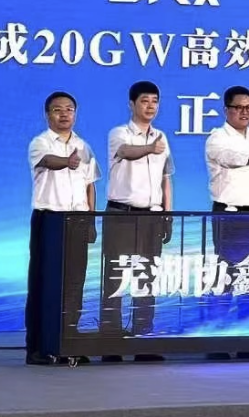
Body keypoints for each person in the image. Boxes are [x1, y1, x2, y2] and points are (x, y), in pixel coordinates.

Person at [100, 80, 172, 363]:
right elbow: (126, 152)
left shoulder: (162, 137)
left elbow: (166, 178)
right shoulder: (119, 133)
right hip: (121, 214)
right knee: (116, 277)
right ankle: (110, 340)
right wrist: (150, 148)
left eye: (155, 101)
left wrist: (167, 213)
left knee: (147, 277)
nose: (150, 106)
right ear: (132, 104)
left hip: (151, 216)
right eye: (144, 101)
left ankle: (144, 336)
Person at [25, 91, 99, 366]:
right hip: (50, 220)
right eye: (58, 109)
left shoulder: (84, 146)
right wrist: (67, 162)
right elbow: (48, 161)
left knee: (74, 283)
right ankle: (39, 347)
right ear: (48, 115)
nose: (64, 114)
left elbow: (90, 186)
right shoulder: (40, 142)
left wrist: (91, 220)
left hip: (77, 220)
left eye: (69, 109)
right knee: (45, 283)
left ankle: (68, 342)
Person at [204, 85, 249, 360]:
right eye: (239, 107)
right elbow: (227, 158)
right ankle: (216, 341)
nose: (245, 112)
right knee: (226, 276)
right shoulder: (217, 138)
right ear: (227, 110)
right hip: (229, 215)